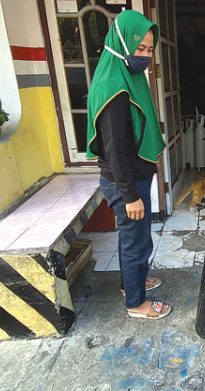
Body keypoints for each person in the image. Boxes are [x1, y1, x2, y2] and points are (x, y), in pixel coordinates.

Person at [86, 10, 171, 320]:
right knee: (135, 240)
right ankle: (136, 303)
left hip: (133, 177)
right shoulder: (113, 86)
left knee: (137, 237)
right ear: (122, 42)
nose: (146, 57)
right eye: (140, 49)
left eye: (150, 50)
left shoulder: (126, 75)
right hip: (125, 181)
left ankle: (130, 282)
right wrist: (131, 195)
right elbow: (115, 149)